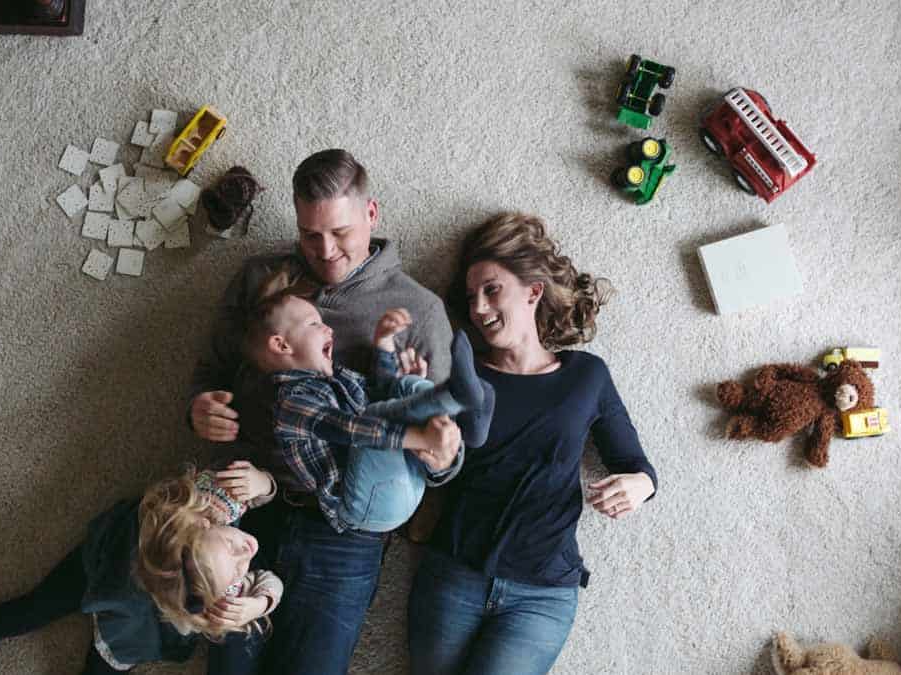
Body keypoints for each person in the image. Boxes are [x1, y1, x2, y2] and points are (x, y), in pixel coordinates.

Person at [185, 149, 463, 674]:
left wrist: (439, 455)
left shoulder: (419, 309)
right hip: (248, 508)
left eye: (340, 232)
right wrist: (200, 406)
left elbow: (446, 450)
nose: (326, 251)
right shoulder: (260, 278)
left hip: (346, 528)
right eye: (310, 235)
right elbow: (211, 371)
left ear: (371, 214)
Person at [406, 212, 660, 675]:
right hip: (454, 572)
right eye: (471, 297)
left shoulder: (586, 375)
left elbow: (636, 464)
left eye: (491, 289)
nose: (479, 308)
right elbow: (426, 457)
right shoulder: (463, 372)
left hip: (543, 593)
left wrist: (640, 486)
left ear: (533, 291)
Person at [0, 463, 281, 675]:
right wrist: (262, 484)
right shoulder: (201, 514)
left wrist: (258, 603)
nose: (247, 550)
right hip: (109, 567)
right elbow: (264, 569)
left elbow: (270, 580)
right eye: (234, 551)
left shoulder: (218, 538)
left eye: (238, 559)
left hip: (148, 616)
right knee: (30, 610)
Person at [242, 274, 493, 533]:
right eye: (314, 324)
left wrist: (384, 345)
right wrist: (419, 437)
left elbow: (382, 394)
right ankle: (454, 397)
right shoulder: (291, 405)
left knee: (404, 385)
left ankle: (465, 410)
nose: (329, 329)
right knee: (370, 419)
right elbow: (350, 429)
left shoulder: (336, 376)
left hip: (407, 476)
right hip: (366, 505)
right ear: (281, 345)